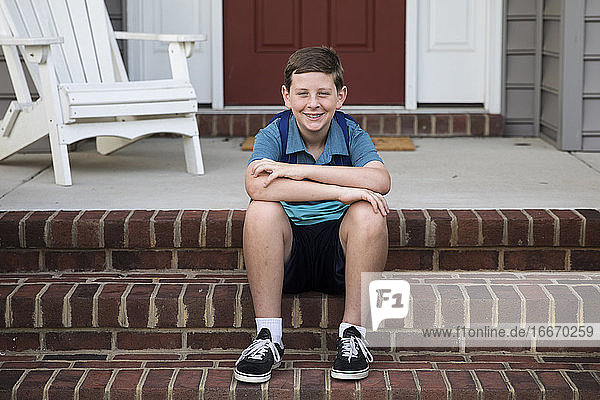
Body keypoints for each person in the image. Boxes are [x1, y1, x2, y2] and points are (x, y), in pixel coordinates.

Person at [235, 46, 390, 383]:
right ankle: (268, 338)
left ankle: (354, 336)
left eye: (324, 93)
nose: (313, 103)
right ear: (286, 96)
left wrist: (296, 172)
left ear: (341, 96)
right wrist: (340, 190)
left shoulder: (351, 133)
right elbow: (258, 187)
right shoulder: (274, 132)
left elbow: (379, 180)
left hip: (341, 254)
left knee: (369, 212)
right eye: (302, 93)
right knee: (261, 211)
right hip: (288, 254)